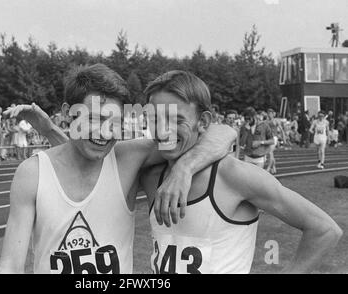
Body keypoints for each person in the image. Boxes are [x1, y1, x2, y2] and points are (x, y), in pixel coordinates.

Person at [0, 64, 236, 274]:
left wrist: (185, 167)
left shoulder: (127, 159)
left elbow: (222, 132)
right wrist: (51, 131)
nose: (106, 133)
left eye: (115, 122)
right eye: (95, 119)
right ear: (69, 113)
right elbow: (10, 266)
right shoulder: (32, 173)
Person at [136, 71, 341, 273]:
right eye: (155, 119)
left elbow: (324, 230)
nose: (163, 130)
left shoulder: (234, 176)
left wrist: (185, 167)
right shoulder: (150, 175)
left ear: (204, 122)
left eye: (176, 120)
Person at [266, 109, 283, 174]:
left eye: (270, 113)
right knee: (271, 154)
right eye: (268, 113)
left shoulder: (276, 120)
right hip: (268, 138)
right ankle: (274, 167)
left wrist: (283, 138)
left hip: (274, 138)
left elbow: (281, 130)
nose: (269, 115)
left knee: (270, 152)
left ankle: (268, 168)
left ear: (273, 114)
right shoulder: (266, 121)